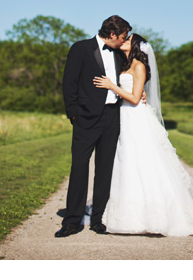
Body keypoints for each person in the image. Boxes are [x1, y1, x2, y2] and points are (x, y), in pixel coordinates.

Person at [95, 33, 193, 236]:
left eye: (127, 39)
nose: (123, 41)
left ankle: (158, 214)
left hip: (136, 117)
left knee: (144, 162)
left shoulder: (139, 65)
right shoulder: (124, 64)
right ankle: (129, 215)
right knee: (127, 162)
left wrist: (113, 86)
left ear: (135, 45)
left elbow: (136, 98)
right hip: (125, 116)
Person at [55, 15, 131, 237]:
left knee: (105, 170)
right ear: (112, 34)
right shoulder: (80, 49)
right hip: (85, 119)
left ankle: (99, 219)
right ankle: (71, 222)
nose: (124, 40)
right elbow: (69, 83)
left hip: (112, 118)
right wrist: (74, 115)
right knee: (79, 168)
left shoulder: (119, 53)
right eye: (122, 36)